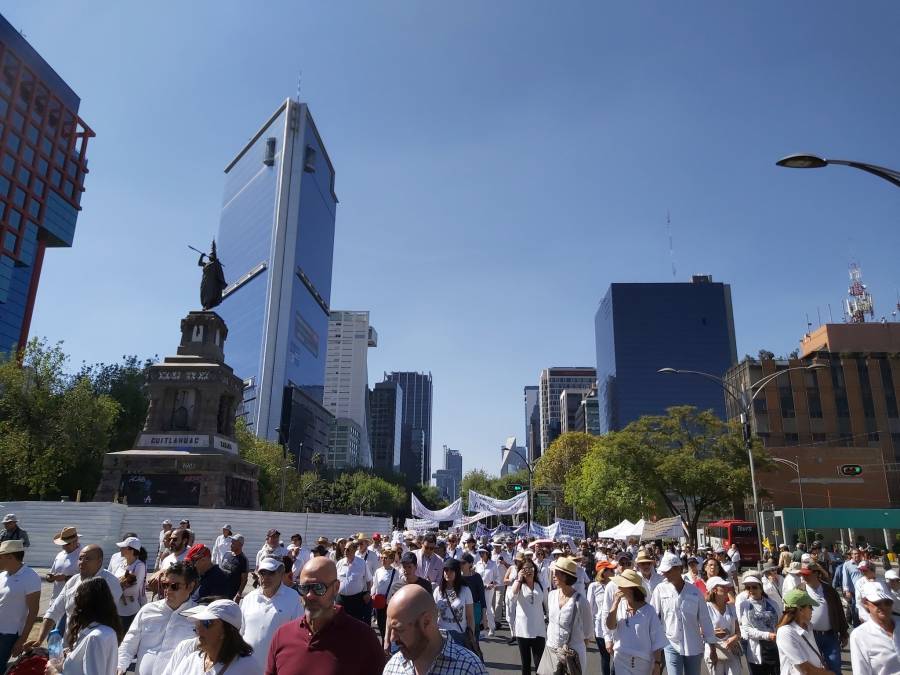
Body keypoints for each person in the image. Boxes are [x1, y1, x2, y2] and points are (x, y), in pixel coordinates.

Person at [265, 557, 385, 674]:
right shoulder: (282, 635)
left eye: (318, 588)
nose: (309, 595)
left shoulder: (364, 639)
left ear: (336, 588)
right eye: (304, 588)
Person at [26, 545, 122, 652]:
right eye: (80, 558)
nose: (82, 562)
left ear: (99, 561)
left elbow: (105, 617)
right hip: (68, 646)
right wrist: (39, 640)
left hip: (95, 646)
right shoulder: (73, 581)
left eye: (87, 559)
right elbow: (54, 611)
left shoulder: (110, 583)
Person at [383, 584, 487, 675]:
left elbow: (469, 615)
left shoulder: (469, 668)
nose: (392, 639)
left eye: (399, 629)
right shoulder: (393, 667)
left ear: (426, 621)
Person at [115, 561, 198, 675]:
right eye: (165, 585)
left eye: (174, 586)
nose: (167, 590)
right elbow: (129, 643)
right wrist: (120, 666)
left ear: (190, 586)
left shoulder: (198, 618)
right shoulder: (147, 610)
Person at [650, 552, 718, 675]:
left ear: (679, 569)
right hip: (670, 643)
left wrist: (712, 648)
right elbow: (652, 616)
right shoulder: (660, 589)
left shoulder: (695, 592)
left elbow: (705, 620)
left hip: (694, 645)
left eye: (668, 571)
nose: (664, 574)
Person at [45, 577, 121, 675]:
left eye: (77, 599)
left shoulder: (95, 637)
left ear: (86, 604)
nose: (74, 606)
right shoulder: (107, 631)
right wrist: (71, 654)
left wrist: (53, 673)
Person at [160, 599, 255, 674]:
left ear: (226, 631)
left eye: (207, 623)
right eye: (199, 623)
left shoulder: (247, 667)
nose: (198, 630)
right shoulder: (192, 660)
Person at [240, 556, 301, 670]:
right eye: (262, 573)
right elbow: (240, 632)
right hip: (248, 668)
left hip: (279, 667)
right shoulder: (248, 599)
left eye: (271, 573)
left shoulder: (293, 597)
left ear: (281, 573)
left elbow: (300, 634)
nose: (265, 577)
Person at [605, 568, 668, 675]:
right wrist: (615, 604)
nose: (618, 587)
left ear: (631, 589)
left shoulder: (649, 611)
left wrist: (657, 664)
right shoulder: (619, 605)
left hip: (642, 663)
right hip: (620, 659)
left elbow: (657, 640)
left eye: (621, 585)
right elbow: (610, 626)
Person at [546, 556, 592, 673]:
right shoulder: (551, 595)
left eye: (557, 573)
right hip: (551, 650)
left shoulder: (581, 601)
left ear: (566, 576)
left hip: (572, 654)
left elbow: (588, 634)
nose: (553, 576)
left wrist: (571, 653)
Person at [801, 563, 848, 675]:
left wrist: (844, 633)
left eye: (807, 574)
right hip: (810, 636)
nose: (804, 577)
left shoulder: (829, 590)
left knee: (834, 667)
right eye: (802, 574)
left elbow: (839, 611)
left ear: (817, 574)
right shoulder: (799, 590)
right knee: (814, 669)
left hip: (830, 636)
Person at [0, 540, 40, 666]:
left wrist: (22, 640)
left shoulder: (30, 576)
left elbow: (33, 612)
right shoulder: (2, 576)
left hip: (8, 634)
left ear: (10, 557)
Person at [775, 588, 830, 675]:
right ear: (800, 610)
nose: (812, 610)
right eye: (810, 607)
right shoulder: (785, 632)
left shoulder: (808, 626)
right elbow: (805, 669)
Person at [849, 581, 900, 674]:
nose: (883, 606)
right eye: (877, 602)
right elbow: (860, 672)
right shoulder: (859, 635)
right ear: (865, 603)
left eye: (887, 602)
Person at [510, 556, 547, 675]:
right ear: (521, 571)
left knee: (540, 664)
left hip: (539, 630)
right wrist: (519, 579)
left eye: (531, 568)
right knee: (525, 664)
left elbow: (547, 605)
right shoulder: (519, 585)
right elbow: (512, 596)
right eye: (525, 569)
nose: (529, 570)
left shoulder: (540, 584)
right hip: (523, 631)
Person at [738, 572, 781, 675]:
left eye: (754, 587)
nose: (751, 590)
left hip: (775, 648)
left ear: (761, 588)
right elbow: (746, 630)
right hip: (757, 651)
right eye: (748, 588)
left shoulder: (772, 603)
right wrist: (767, 635)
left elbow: (780, 623)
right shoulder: (744, 605)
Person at [434, 558, 475, 648]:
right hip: (441, 635)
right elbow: (434, 614)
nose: (448, 573)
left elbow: (470, 617)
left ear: (457, 572)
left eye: (451, 570)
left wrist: (471, 635)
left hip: (459, 636)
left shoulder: (465, 590)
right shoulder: (438, 591)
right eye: (446, 570)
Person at [703, 576, 741, 675]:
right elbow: (697, 630)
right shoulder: (705, 608)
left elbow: (738, 632)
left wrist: (735, 638)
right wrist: (712, 633)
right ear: (714, 590)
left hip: (731, 650)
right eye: (723, 587)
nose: (727, 589)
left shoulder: (732, 607)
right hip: (713, 651)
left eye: (727, 587)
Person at [109, 536, 146, 632]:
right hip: (116, 609)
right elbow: (111, 581)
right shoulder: (122, 563)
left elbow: (132, 590)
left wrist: (115, 588)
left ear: (131, 550)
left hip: (129, 611)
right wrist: (120, 585)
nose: (120, 549)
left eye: (123, 547)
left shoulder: (139, 566)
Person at [587, 561, 615, 675]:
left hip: (615, 625)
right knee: (605, 657)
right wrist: (589, 630)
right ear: (603, 572)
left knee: (618, 656)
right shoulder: (593, 586)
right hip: (600, 627)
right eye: (610, 570)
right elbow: (589, 608)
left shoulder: (615, 585)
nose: (613, 572)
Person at [336, 539, 372, 623]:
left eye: (348, 549)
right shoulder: (339, 563)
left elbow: (368, 580)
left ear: (354, 550)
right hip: (341, 599)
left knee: (355, 624)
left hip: (356, 600)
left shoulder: (362, 563)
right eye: (344, 549)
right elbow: (335, 580)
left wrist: (368, 593)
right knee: (340, 624)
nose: (345, 551)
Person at [371, 549, 403, 638]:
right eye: (381, 558)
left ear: (391, 560)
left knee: (389, 625)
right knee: (381, 625)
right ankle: (383, 644)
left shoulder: (396, 573)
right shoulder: (378, 571)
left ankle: (388, 643)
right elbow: (375, 585)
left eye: (385, 558)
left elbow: (397, 588)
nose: (383, 560)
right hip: (379, 602)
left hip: (390, 603)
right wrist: (371, 596)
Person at [48, 527, 81, 602]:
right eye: (62, 544)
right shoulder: (60, 554)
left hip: (73, 602)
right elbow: (51, 573)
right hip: (55, 600)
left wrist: (65, 578)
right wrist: (50, 577)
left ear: (75, 541)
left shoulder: (83, 555)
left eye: (66, 544)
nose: (63, 546)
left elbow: (87, 579)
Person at [459, 553, 486, 643]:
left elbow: (482, 597)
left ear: (470, 564)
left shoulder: (476, 577)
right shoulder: (457, 577)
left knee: (474, 640)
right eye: (460, 563)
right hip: (460, 610)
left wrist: (484, 616)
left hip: (474, 610)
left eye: (463, 563)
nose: (461, 565)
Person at [474, 547, 499, 636]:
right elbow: (476, 577)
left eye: (483, 553)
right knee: (479, 607)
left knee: (487, 607)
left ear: (487, 553)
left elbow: (497, 578)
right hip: (479, 589)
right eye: (480, 553)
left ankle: (491, 627)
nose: (481, 554)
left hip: (489, 590)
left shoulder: (493, 564)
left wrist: (492, 585)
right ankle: (482, 626)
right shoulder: (477, 564)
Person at [220, 533, 249, 601]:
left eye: (233, 543)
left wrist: (239, 594)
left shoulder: (243, 560)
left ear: (240, 545)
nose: (231, 545)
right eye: (231, 542)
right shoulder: (227, 554)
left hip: (231, 594)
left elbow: (244, 580)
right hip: (220, 589)